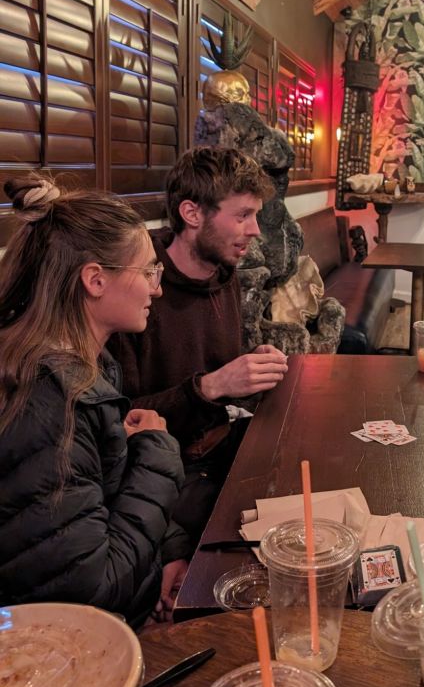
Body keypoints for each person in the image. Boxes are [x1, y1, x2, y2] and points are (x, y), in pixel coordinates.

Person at [0, 176, 187, 627]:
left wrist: (170, 551)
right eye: (149, 272)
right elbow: (90, 592)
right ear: (96, 279)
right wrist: (156, 453)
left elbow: (100, 499)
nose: (157, 289)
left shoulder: (88, 365)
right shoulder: (46, 400)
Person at [109, 146, 288, 540]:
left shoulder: (225, 273)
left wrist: (249, 368)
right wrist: (211, 386)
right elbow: (121, 418)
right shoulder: (136, 289)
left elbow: (213, 371)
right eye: (242, 215)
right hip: (165, 468)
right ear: (192, 213)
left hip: (222, 443)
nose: (255, 230)